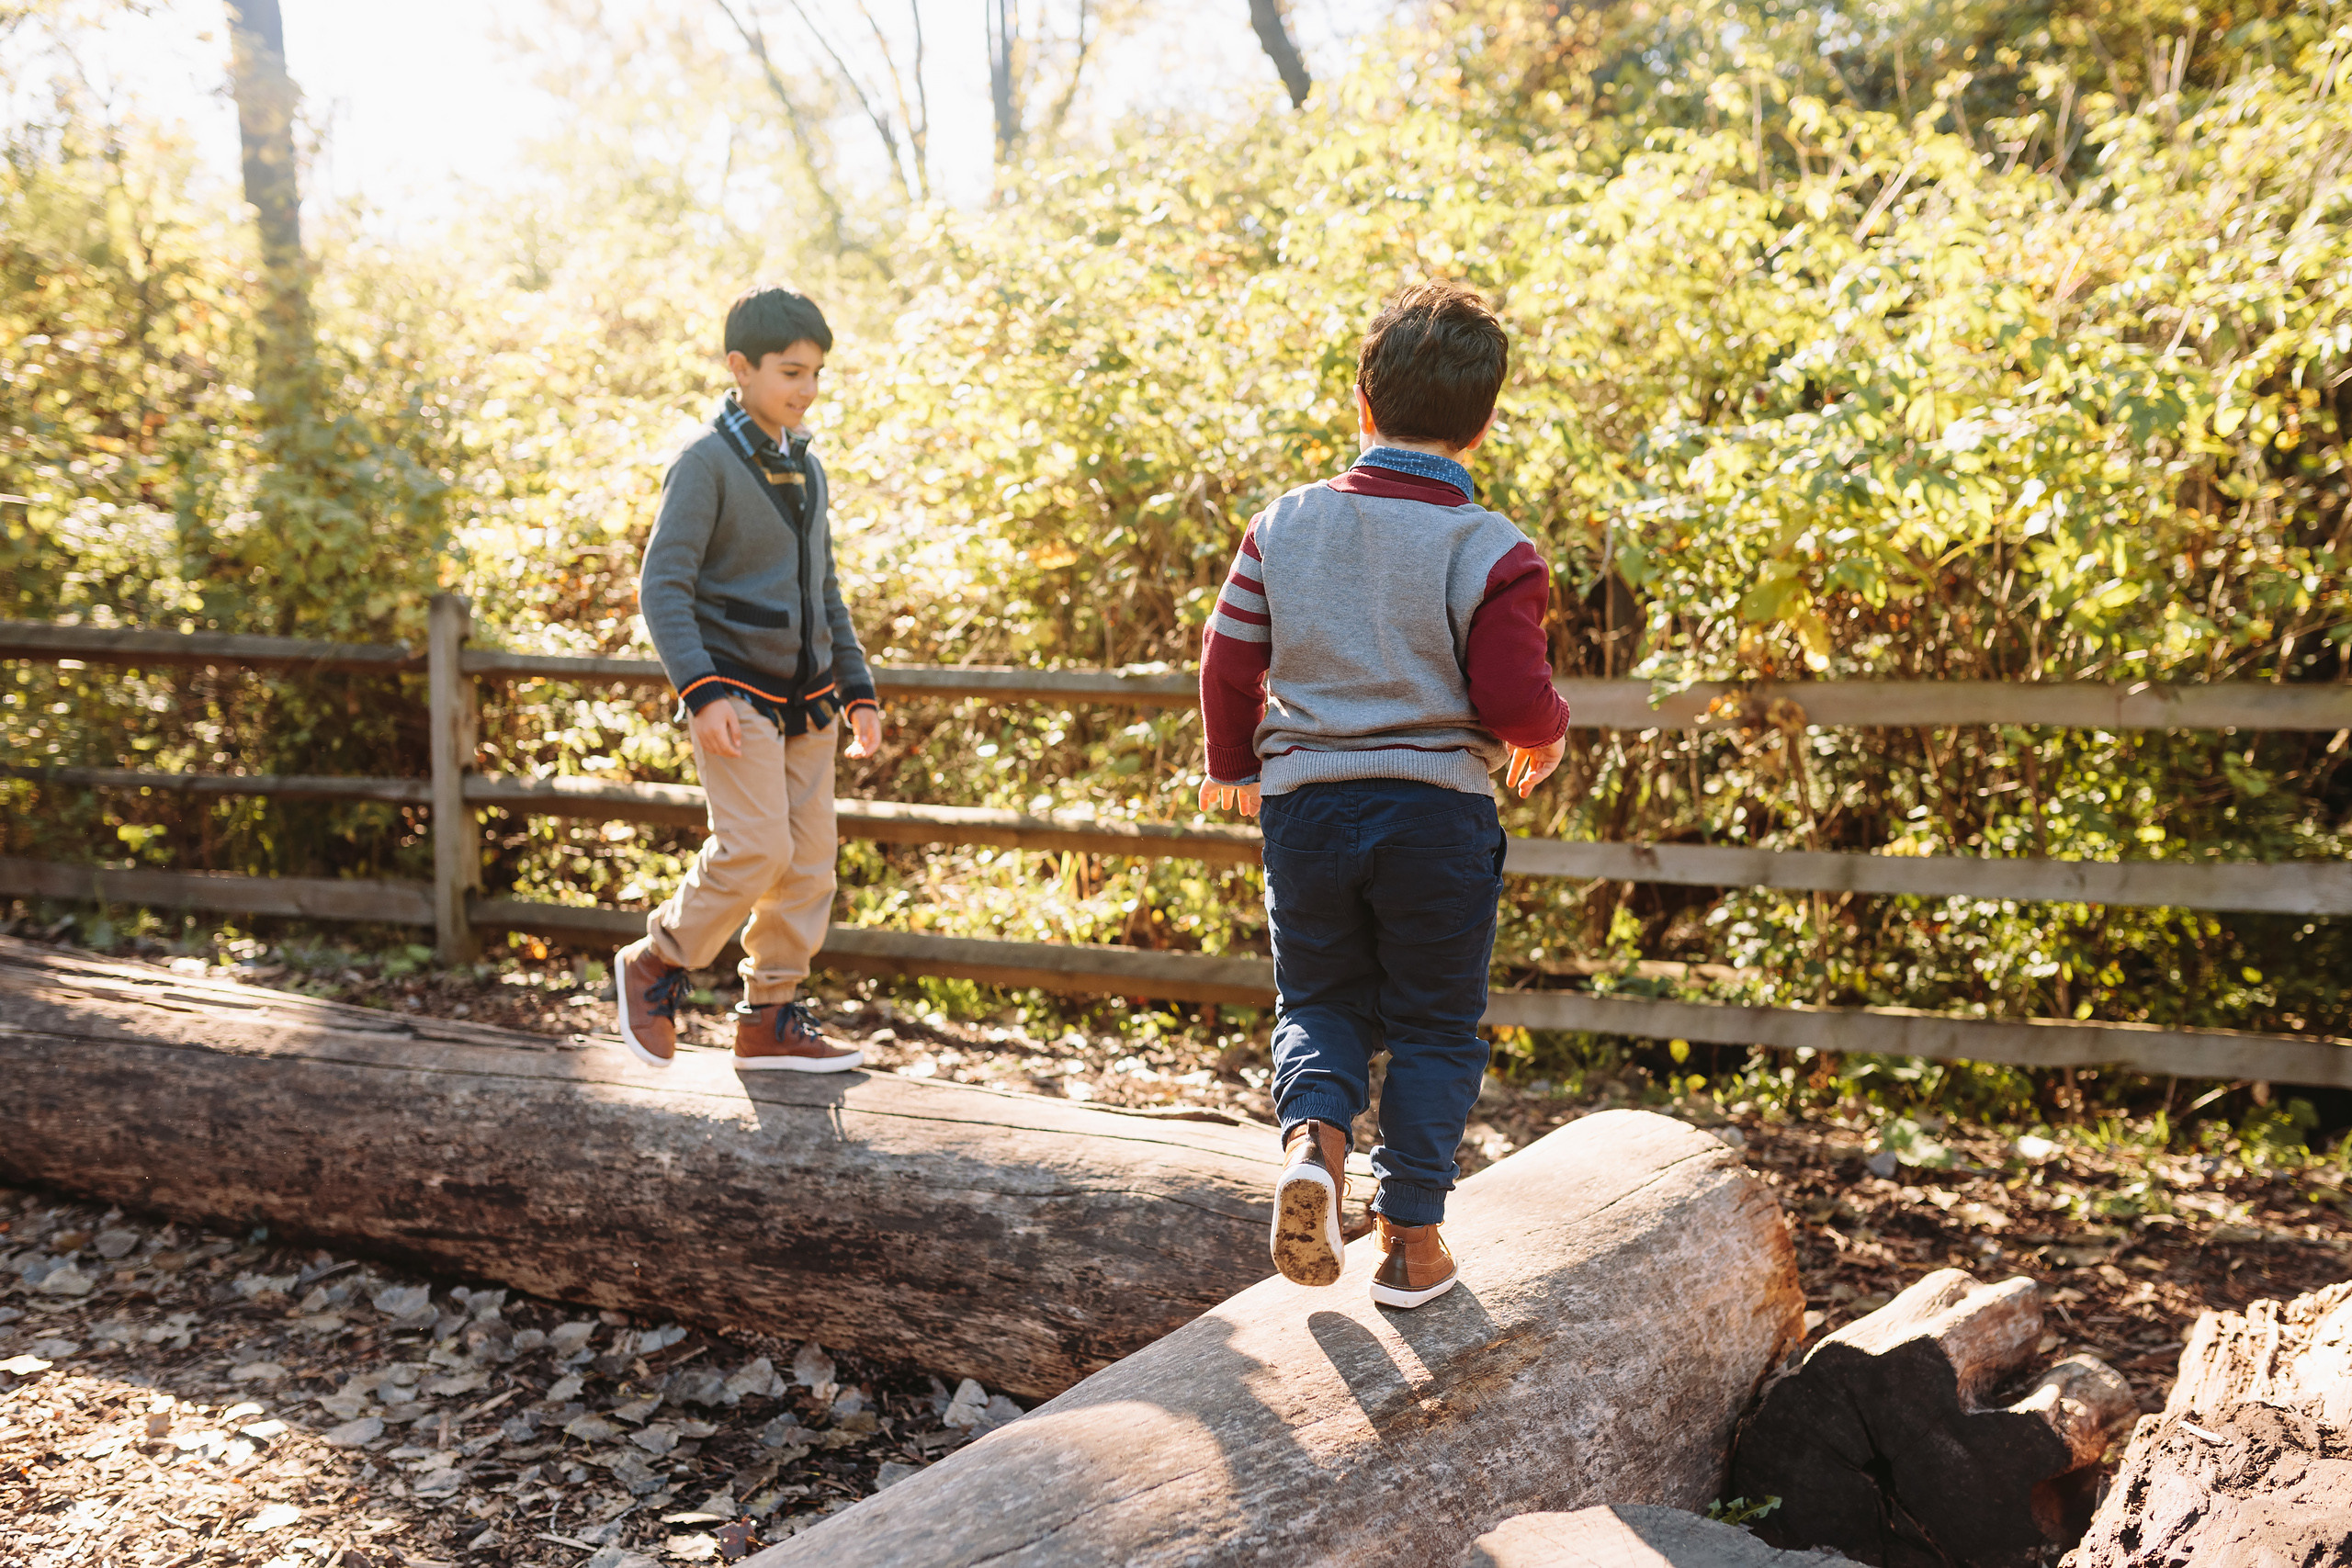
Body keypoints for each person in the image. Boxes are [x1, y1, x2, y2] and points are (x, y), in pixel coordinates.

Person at [1198, 280, 1570, 1308]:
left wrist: (1233, 764)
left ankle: (1314, 1150)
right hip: (1436, 814)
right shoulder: (1493, 548)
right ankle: (1409, 1242)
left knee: (1320, 998)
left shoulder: (1284, 523)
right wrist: (1545, 730)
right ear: (1482, 425)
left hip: (1307, 806)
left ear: (1361, 402)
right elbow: (1511, 692)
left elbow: (1228, 656)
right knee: (1436, 1024)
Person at [612, 284, 879, 1073]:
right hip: (734, 693)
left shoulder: (808, 468)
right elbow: (663, 586)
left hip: (812, 700)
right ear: (741, 367)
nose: (808, 388)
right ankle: (657, 959)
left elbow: (825, 590)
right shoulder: (705, 464)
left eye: (817, 373)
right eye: (791, 372)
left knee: (809, 863)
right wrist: (699, 690)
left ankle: (769, 1016)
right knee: (756, 846)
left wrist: (858, 688)